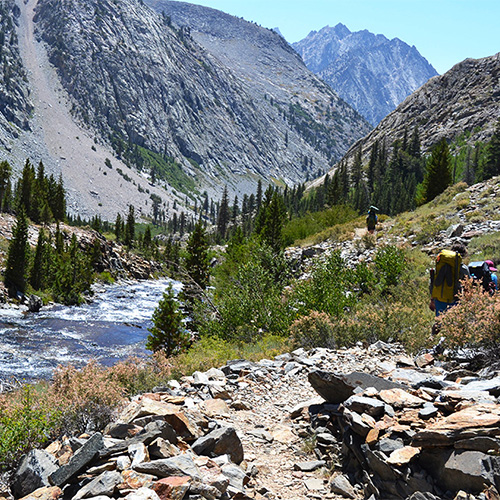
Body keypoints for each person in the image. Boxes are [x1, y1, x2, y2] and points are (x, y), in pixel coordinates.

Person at [429, 241, 470, 317]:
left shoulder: (440, 264)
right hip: (454, 299)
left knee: (440, 323)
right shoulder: (463, 268)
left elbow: (433, 282)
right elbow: (467, 286)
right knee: (452, 323)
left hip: (439, 299)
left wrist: (432, 300)